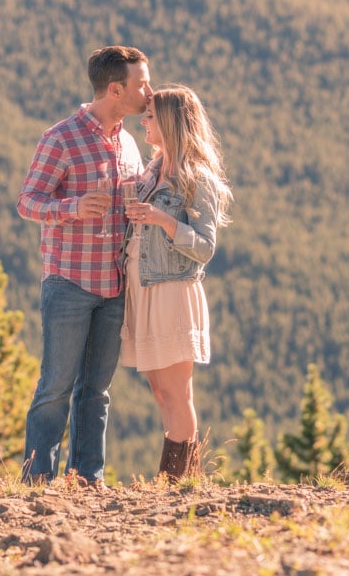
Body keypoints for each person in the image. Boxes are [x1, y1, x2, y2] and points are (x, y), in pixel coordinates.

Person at [17, 45, 153, 486]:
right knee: (55, 388)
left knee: (96, 392)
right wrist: (73, 207)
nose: (148, 92)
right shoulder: (60, 138)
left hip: (114, 285)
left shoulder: (129, 143)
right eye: (141, 84)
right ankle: (37, 481)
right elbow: (27, 201)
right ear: (116, 89)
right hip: (70, 283)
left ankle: (87, 480)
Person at [120, 84, 232, 482]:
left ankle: (173, 480)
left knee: (176, 393)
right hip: (146, 289)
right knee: (161, 392)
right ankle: (186, 478)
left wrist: (162, 220)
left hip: (172, 291)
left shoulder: (195, 178)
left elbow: (204, 247)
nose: (143, 120)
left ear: (169, 122)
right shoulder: (154, 169)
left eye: (150, 115)